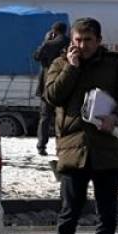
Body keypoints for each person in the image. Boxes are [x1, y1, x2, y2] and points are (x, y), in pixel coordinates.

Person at [42, 17, 118, 234]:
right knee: (69, 213)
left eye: (87, 41)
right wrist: (71, 69)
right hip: (73, 150)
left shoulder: (114, 64)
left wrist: (116, 118)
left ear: (98, 41)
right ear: (71, 40)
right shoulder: (60, 63)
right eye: (77, 40)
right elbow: (52, 96)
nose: (81, 46)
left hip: (106, 150)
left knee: (106, 215)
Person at [32, 21, 68, 155]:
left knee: (45, 117)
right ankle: (62, 147)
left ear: (54, 31)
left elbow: (36, 56)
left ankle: (41, 146)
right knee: (63, 117)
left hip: (48, 84)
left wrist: (45, 41)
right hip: (64, 84)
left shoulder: (49, 43)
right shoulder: (70, 42)